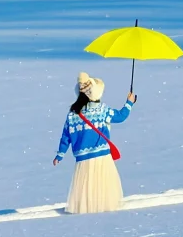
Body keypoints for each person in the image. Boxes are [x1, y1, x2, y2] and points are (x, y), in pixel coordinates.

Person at [53, 72, 136, 214]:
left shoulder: (73, 114)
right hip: (101, 154)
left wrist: (60, 155)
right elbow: (121, 116)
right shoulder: (102, 110)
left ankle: (86, 209)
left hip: (82, 158)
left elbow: (65, 136)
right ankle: (103, 209)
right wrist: (129, 102)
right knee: (103, 184)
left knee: (86, 187)